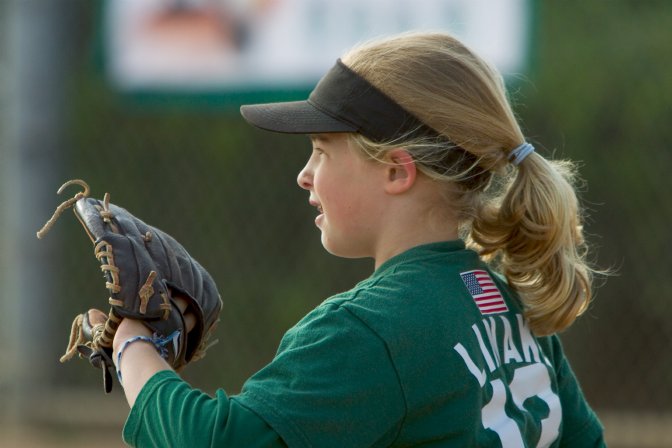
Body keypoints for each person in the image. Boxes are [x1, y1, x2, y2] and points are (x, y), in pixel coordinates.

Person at [113, 31, 605, 447]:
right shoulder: (508, 303)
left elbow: (218, 440)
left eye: (322, 151)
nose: (305, 176)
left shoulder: (369, 329)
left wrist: (132, 347)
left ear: (396, 170)